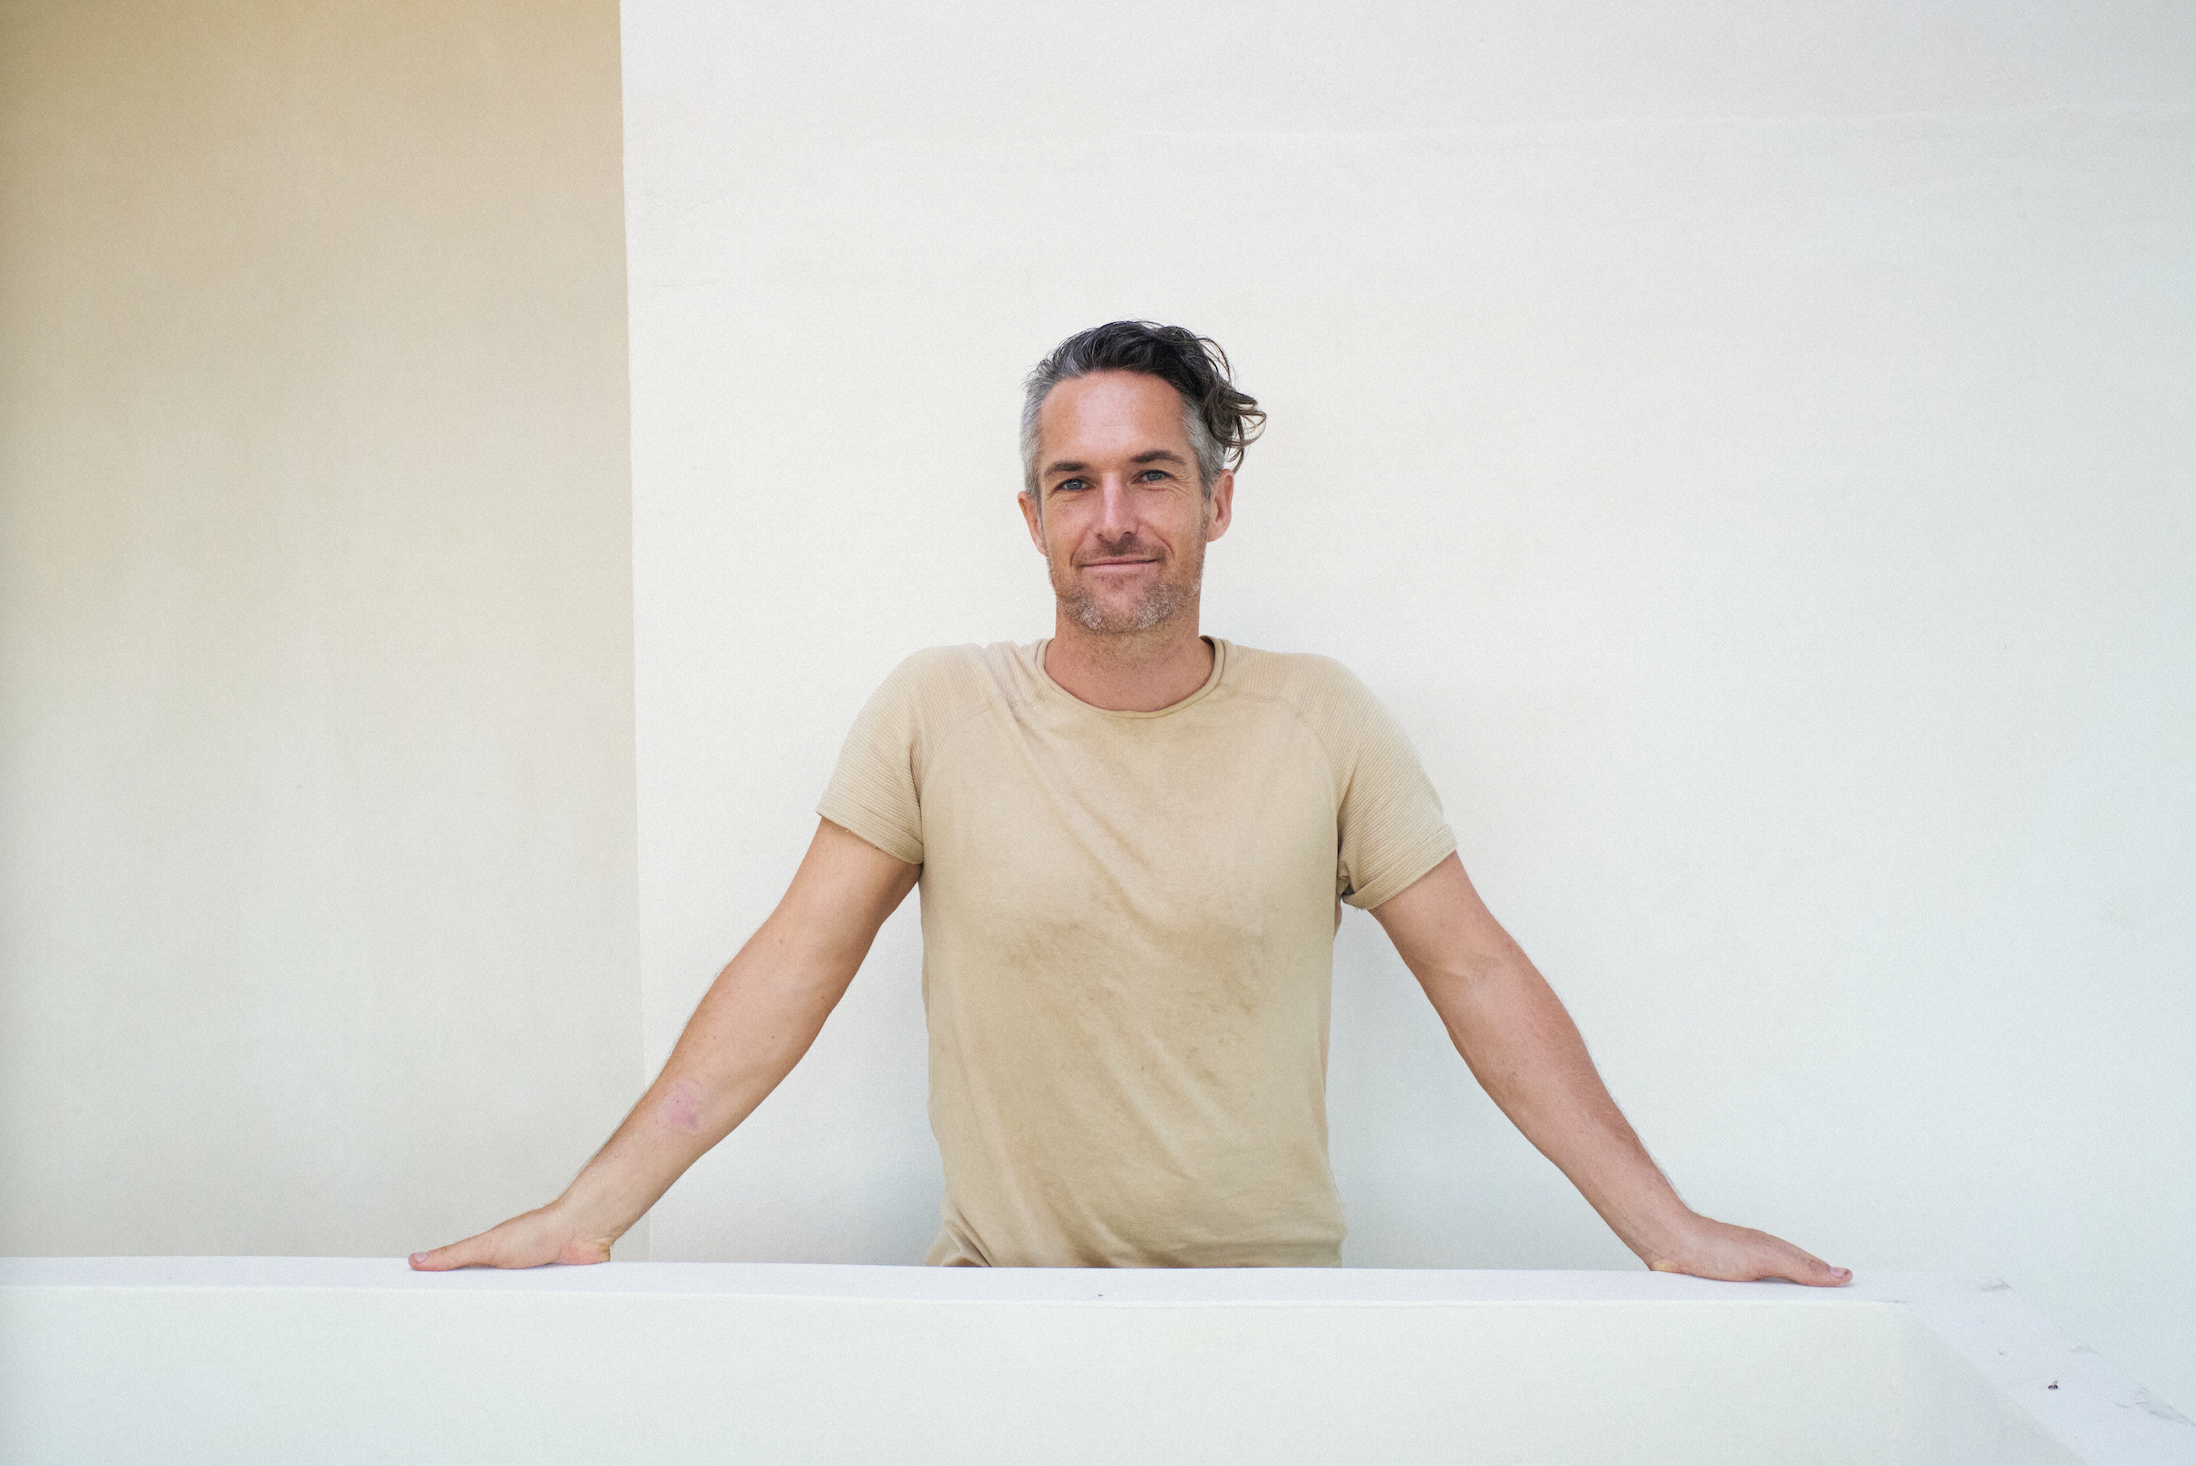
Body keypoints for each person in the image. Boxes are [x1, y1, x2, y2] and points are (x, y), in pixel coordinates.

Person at [412, 321, 1849, 1283]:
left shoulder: (1324, 718)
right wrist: (590, 1212)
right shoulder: (936, 710)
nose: (1114, 518)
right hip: (1001, 1325)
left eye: (1152, 474)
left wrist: (1665, 1229)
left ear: (1216, 502)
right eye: (1075, 481)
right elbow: (790, 966)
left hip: (1269, 1332)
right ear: (1030, 514)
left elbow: (1476, 970)